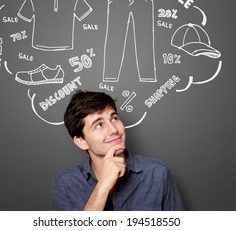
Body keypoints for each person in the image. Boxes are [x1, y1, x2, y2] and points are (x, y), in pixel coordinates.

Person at [52, 90, 184, 211]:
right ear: (82, 141)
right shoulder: (65, 184)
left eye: (114, 118)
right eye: (99, 125)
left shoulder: (157, 174)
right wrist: (103, 185)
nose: (114, 130)